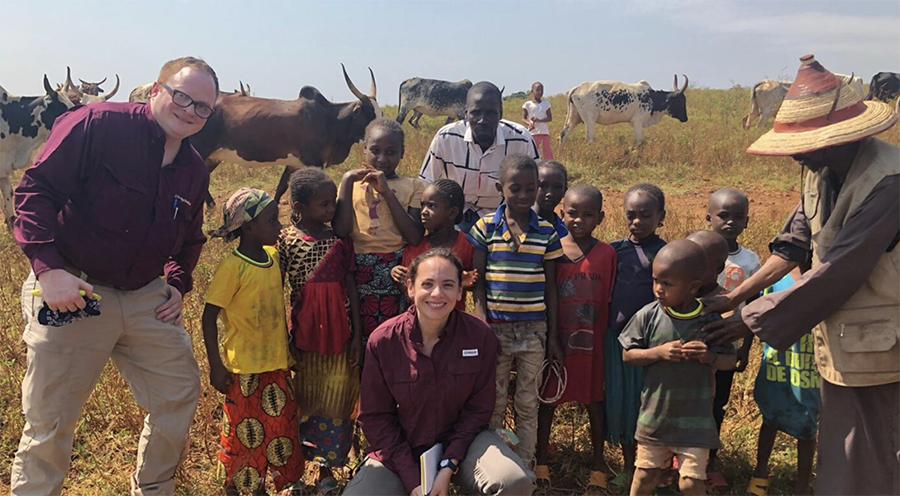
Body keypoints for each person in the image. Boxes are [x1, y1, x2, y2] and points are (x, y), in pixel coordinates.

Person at [11, 56, 217, 496]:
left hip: (145, 296)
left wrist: (178, 284)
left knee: (177, 393)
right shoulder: (97, 123)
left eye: (203, 107)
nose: (190, 111)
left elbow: (191, 239)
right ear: (157, 88)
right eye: (182, 96)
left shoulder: (193, 168)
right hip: (74, 288)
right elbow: (34, 192)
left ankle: (154, 487)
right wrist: (49, 272)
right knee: (51, 417)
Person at [701, 54, 900, 496]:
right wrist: (735, 298)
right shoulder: (821, 171)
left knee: (882, 453)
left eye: (801, 144)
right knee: (845, 451)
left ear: (833, 139)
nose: (793, 153)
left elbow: (838, 270)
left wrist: (745, 321)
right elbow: (792, 245)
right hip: (846, 343)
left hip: (886, 348)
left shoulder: (888, 182)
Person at [343, 248, 535, 496]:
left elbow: (478, 410)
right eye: (427, 284)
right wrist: (413, 481)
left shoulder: (479, 336)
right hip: (401, 449)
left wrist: (448, 465)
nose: (437, 293)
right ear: (411, 288)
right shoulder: (384, 340)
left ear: (459, 291)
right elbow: (375, 418)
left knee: (514, 482)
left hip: (465, 444)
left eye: (447, 285)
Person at [202, 188, 304, 495]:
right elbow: (208, 317)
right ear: (248, 227)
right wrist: (215, 366)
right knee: (243, 431)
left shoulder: (273, 258)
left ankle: (270, 481)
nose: (279, 226)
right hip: (244, 367)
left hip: (276, 361)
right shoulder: (232, 267)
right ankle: (236, 484)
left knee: (279, 428)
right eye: (272, 220)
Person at [469, 154, 564, 466]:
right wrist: (482, 324)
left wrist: (551, 336)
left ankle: (525, 467)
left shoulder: (547, 232)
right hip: (495, 328)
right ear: (500, 188)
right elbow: (478, 283)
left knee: (527, 402)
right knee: (494, 402)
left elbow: (551, 286)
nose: (524, 195)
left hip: (534, 330)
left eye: (530, 188)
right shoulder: (485, 228)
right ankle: (497, 466)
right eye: (516, 189)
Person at [620, 240, 736, 496]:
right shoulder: (648, 315)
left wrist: (709, 357)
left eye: (667, 284)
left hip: (696, 421)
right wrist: (657, 353)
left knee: (691, 483)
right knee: (645, 475)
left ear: (693, 287)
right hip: (655, 418)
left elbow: (730, 361)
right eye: (655, 281)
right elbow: (628, 355)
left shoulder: (709, 321)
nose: (658, 289)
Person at [278, 169, 362, 492]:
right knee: (306, 399)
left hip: (341, 334)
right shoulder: (286, 240)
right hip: (305, 334)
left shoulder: (340, 242)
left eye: (333, 204)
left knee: (338, 398)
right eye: (324, 204)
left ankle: (328, 470)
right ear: (298, 206)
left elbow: (350, 285)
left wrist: (357, 336)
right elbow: (279, 289)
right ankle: (300, 468)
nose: (331, 210)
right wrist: (286, 338)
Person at [535, 184, 616, 490]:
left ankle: (598, 465)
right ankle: (541, 461)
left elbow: (608, 298)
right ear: (561, 214)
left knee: (595, 401)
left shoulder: (607, 254)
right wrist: (550, 339)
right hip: (557, 342)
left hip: (592, 344)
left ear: (601, 217)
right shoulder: (552, 248)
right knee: (549, 401)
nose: (579, 220)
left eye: (588, 214)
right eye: (572, 213)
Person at [333, 118, 425, 339]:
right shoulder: (350, 184)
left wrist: (385, 192)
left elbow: (414, 236)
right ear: (364, 148)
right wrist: (346, 181)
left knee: (397, 335)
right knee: (361, 334)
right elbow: (341, 231)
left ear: (402, 153)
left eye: (391, 152)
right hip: (358, 270)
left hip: (397, 269)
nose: (382, 159)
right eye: (375, 150)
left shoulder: (414, 186)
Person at [604, 183, 667, 489]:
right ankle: (629, 466)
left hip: (652, 346)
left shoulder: (667, 254)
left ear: (661, 216)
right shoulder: (614, 251)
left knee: (648, 407)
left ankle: (654, 468)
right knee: (622, 404)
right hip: (616, 341)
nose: (637, 221)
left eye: (646, 215)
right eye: (631, 214)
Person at [419, 81, 539, 232]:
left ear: (500, 113)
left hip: (504, 216)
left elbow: (536, 186)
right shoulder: (446, 137)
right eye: (476, 113)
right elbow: (425, 183)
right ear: (466, 113)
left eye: (490, 113)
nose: (482, 120)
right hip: (457, 215)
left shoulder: (521, 139)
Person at [746, 268, 819, 496]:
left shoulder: (826, 277)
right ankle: (760, 472)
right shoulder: (776, 278)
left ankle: (802, 484)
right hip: (777, 363)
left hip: (810, 364)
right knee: (771, 417)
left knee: (808, 426)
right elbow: (755, 314)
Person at [705, 189, 760, 485]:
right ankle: (679, 455)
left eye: (738, 217)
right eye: (723, 216)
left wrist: (745, 349)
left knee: (718, 403)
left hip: (728, 345)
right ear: (708, 217)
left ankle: (710, 461)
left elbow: (751, 308)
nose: (730, 222)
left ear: (747, 221)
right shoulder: (695, 251)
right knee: (687, 399)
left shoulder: (751, 261)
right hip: (695, 341)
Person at [390, 179, 477, 310]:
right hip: (420, 322)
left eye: (432, 206)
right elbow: (409, 291)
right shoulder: (414, 247)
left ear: (452, 212)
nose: (424, 211)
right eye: (422, 205)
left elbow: (476, 281)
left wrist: (463, 282)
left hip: (453, 321)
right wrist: (397, 276)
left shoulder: (468, 244)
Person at [535, 160, 569, 240]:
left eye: (557, 187)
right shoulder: (522, 225)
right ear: (532, 187)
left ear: (565, 191)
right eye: (543, 186)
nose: (550, 193)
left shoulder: (565, 230)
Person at [522, 82, 553, 159]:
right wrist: (529, 123)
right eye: (537, 90)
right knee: (533, 151)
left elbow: (550, 118)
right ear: (532, 91)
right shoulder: (527, 104)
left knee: (546, 151)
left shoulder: (546, 104)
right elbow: (523, 118)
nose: (540, 92)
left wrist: (539, 120)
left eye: (542, 90)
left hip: (544, 132)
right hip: (533, 133)